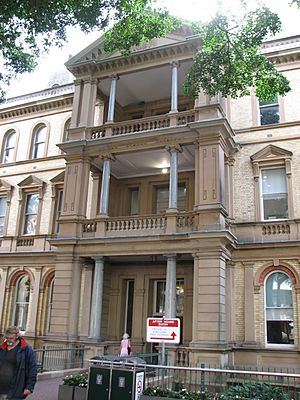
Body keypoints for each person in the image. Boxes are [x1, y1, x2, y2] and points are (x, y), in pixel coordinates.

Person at [0, 326, 37, 399]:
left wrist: (29, 387)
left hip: (15, 390)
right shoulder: (2, 348)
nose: (8, 340)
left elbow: (32, 369)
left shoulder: (26, 350)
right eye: (7, 338)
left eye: (11, 338)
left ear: (17, 336)